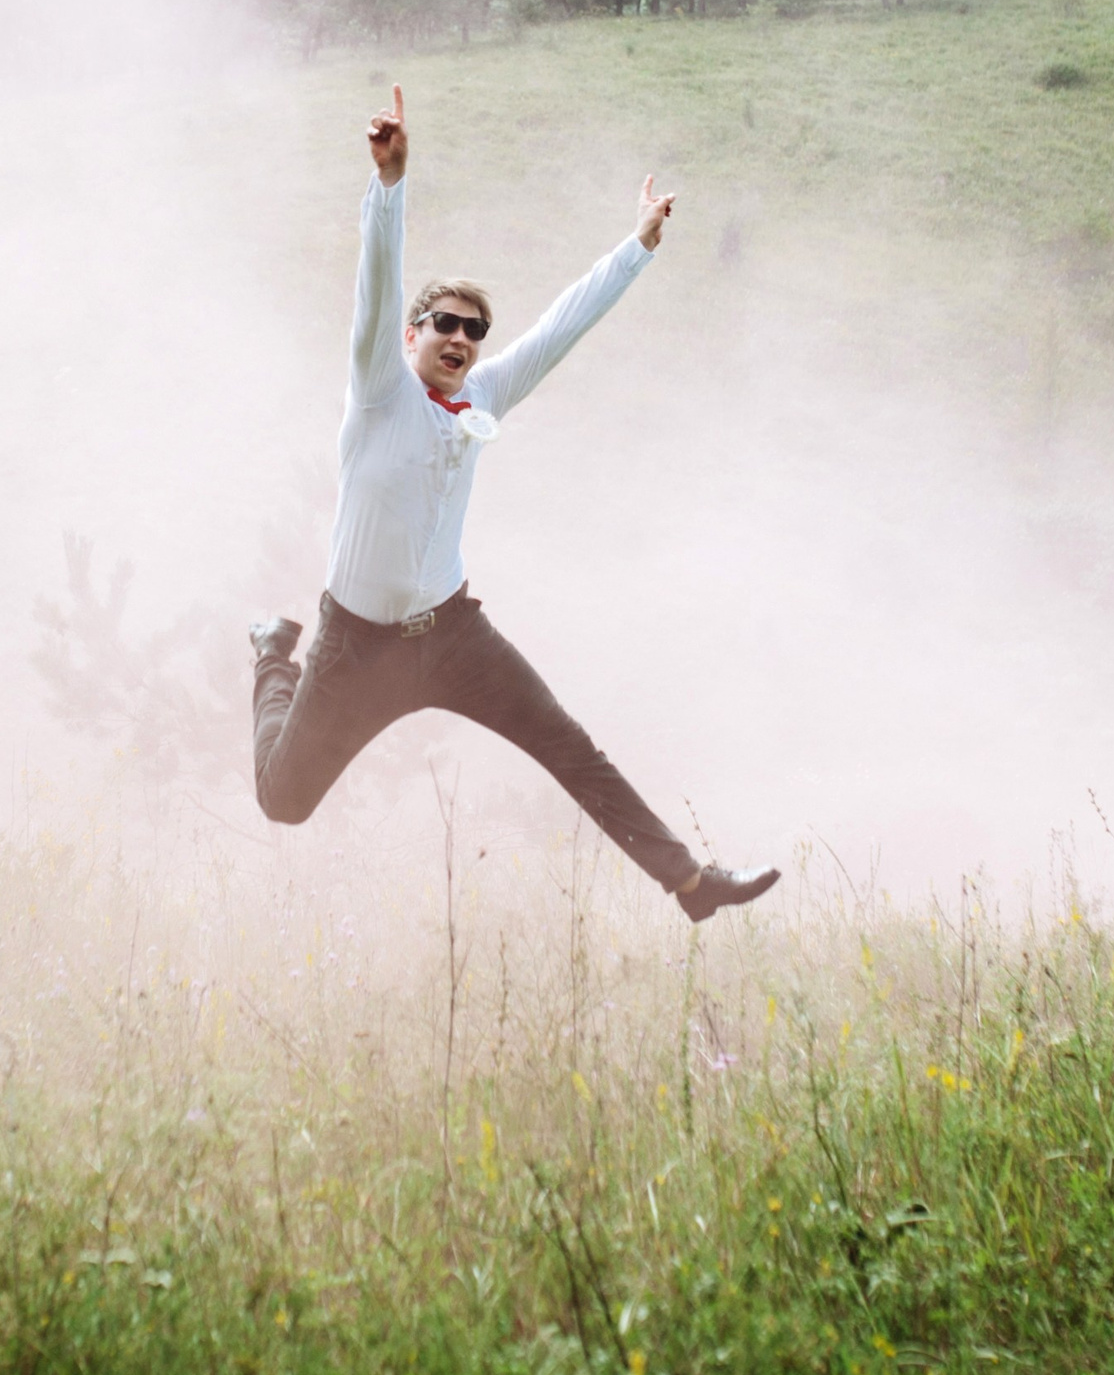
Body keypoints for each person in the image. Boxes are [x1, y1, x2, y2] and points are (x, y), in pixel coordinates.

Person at [249, 85, 780, 923]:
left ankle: (689, 883)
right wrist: (390, 186)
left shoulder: (486, 393)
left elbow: (563, 328)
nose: (462, 338)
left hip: (453, 635)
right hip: (354, 646)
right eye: (445, 323)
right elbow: (375, 290)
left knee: (570, 746)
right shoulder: (378, 392)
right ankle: (271, 656)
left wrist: (637, 246)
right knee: (282, 802)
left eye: (474, 329)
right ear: (411, 336)